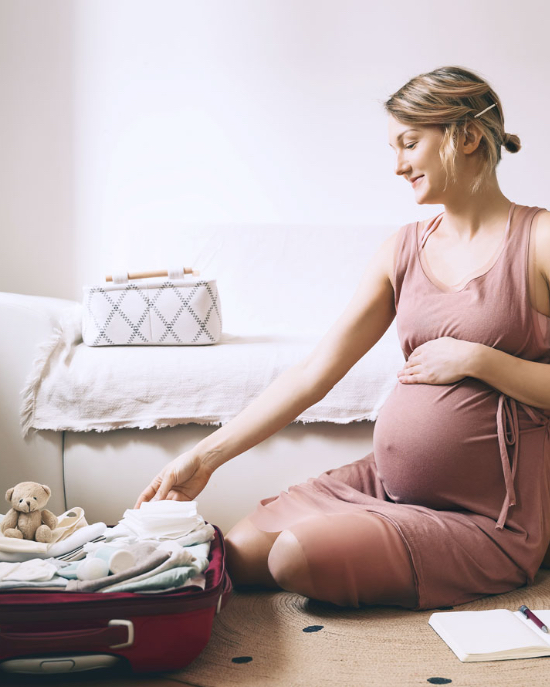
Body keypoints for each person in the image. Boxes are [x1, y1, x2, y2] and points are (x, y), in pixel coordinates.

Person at [134, 65, 550, 611]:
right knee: (239, 553)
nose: (399, 165)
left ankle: (468, 552)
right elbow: (314, 373)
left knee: (293, 560)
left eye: (410, 143)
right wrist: (205, 458)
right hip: (384, 485)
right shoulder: (402, 248)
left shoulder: (538, 239)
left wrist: (480, 359)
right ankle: (374, 527)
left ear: (467, 136)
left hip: (487, 515)